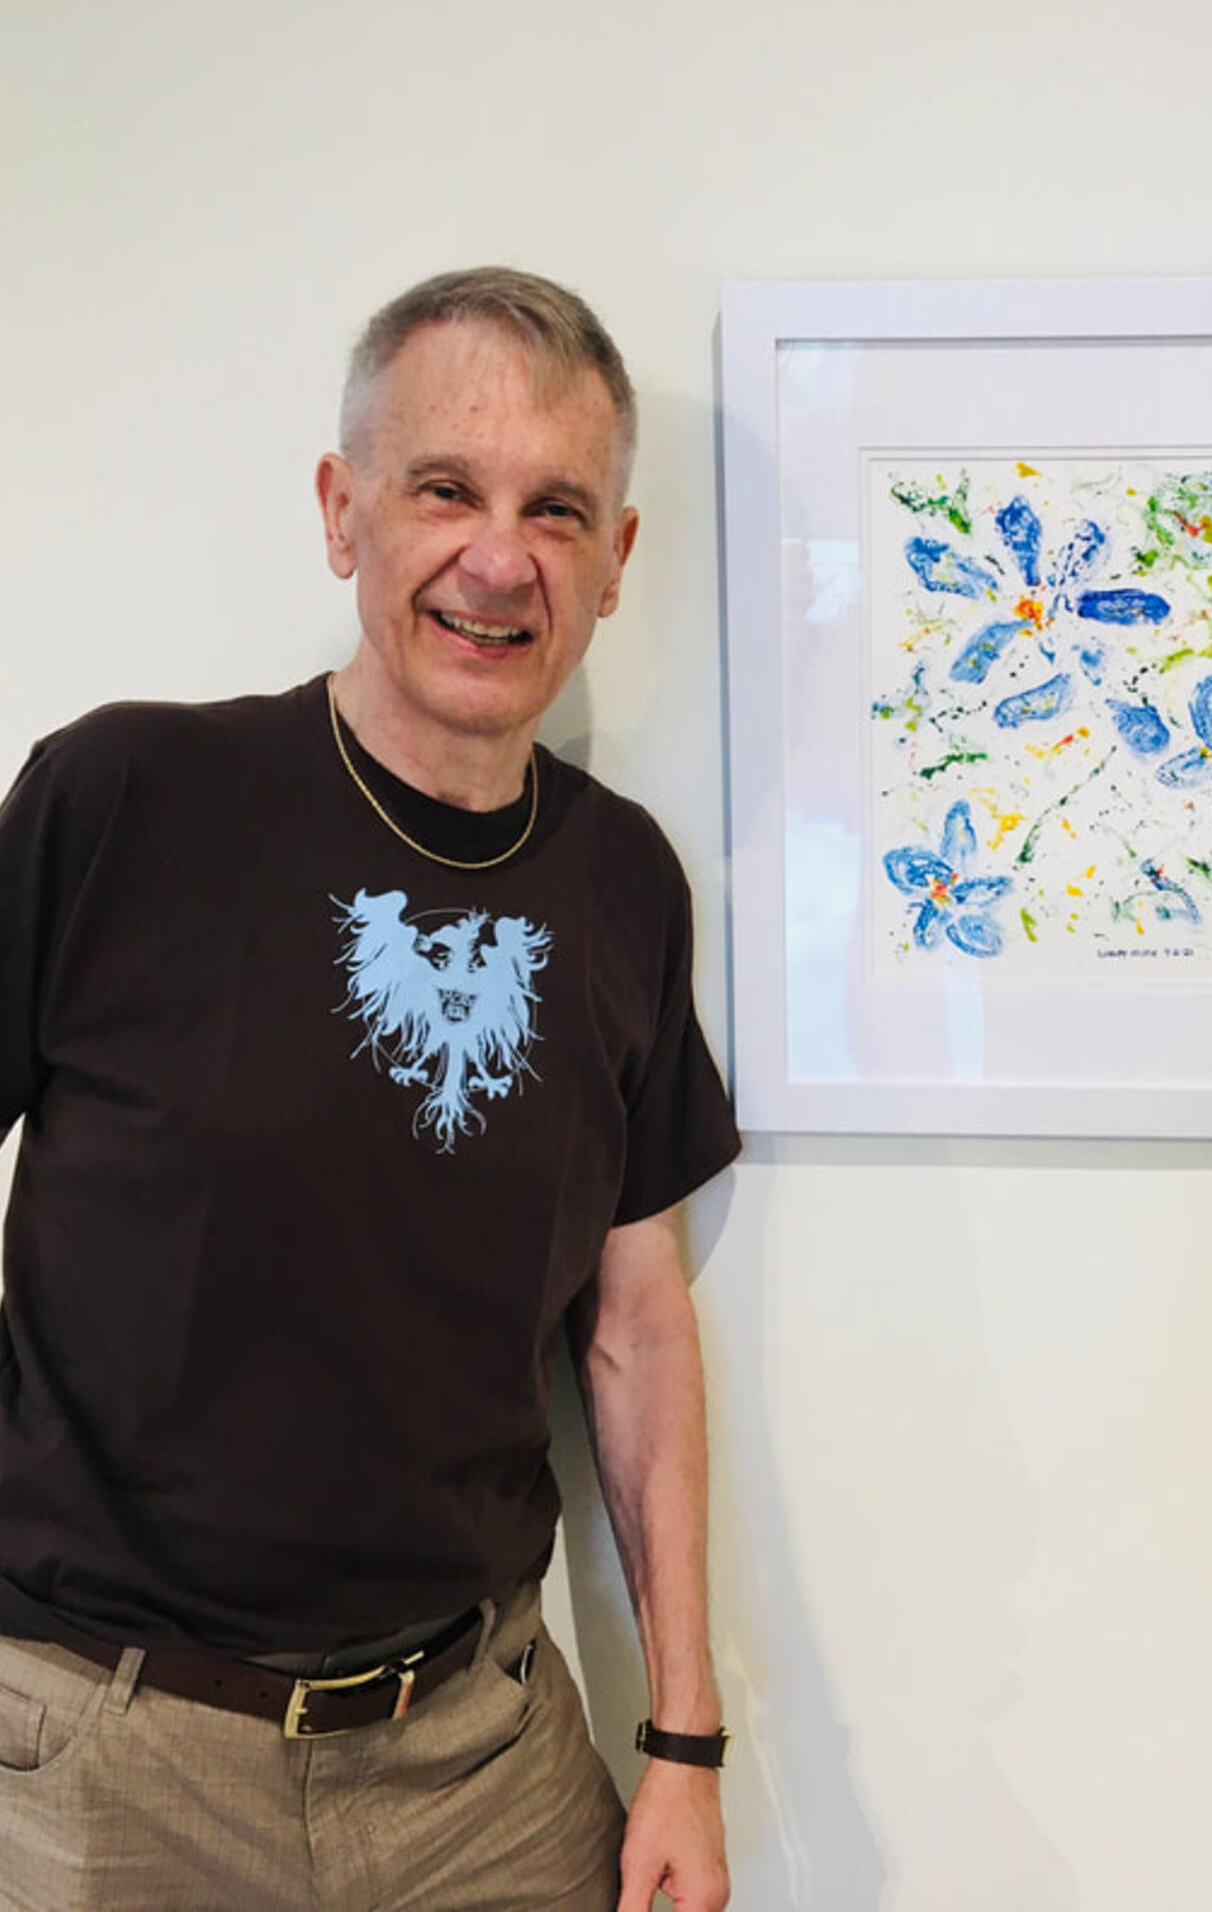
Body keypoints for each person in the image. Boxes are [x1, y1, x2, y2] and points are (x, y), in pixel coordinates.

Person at [0, 269, 740, 1911]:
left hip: (476, 1756)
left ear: (614, 566)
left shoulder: (623, 884)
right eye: (445, 490)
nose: (499, 557)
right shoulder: (125, 797)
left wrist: (684, 1739)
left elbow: (636, 1325)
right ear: (345, 515)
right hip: (111, 1755)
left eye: (558, 509)